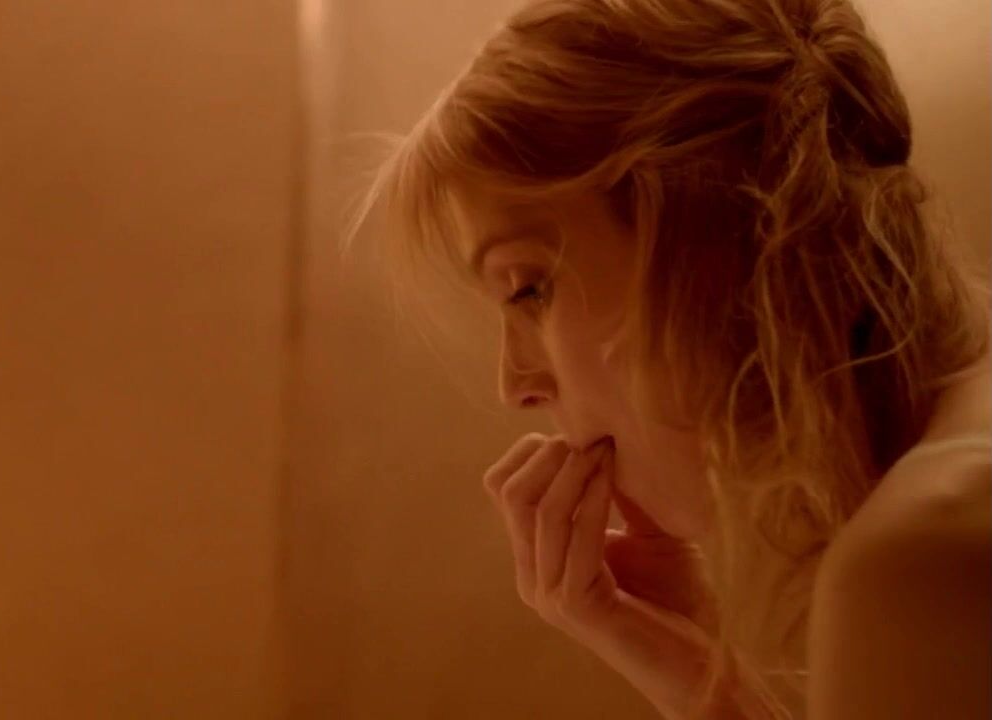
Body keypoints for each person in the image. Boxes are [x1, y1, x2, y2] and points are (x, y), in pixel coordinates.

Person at [352, 0, 992, 717]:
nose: (516, 382)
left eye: (529, 288)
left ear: (704, 232)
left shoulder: (921, 561)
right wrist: (698, 678)